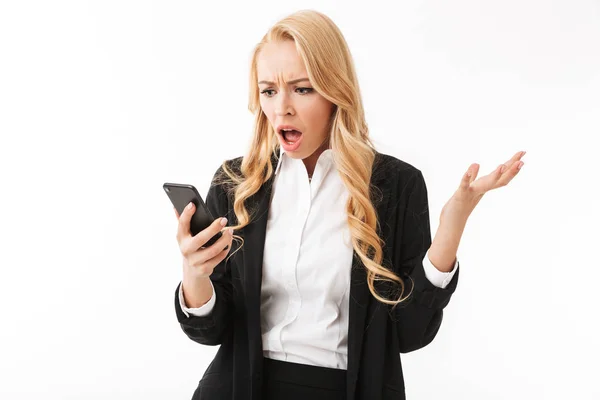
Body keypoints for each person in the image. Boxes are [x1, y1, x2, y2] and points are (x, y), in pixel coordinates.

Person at [172, 9, 525, 400]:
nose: (281, 108)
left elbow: (411, 333)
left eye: (302, 89)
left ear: (335, 91)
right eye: (269, 90)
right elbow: (209, 330)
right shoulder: (235, 182)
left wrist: (452, 225)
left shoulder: (396, 185)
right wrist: (194, 271)